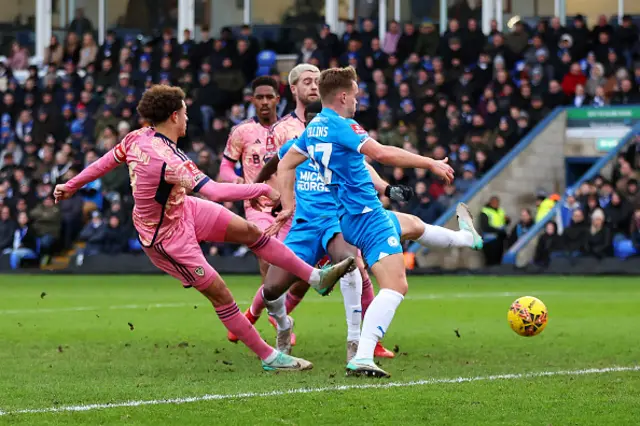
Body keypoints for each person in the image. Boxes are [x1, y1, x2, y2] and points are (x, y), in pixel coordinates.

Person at [53, 84, 354, 372]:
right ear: (174, 116)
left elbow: (108, 159)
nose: (188, 117)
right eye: (184, 112)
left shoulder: (138, 137)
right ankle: (270, 356)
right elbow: (216, 193)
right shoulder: (171, 161)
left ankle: (315, 277)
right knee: (221, 294)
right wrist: (259, 190)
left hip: (182, 209)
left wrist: (71, 184)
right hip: (166, 239)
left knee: (251, 232)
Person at [273, 67, 482, 377]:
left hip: (349, 217)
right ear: (343, 96)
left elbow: (286, 162)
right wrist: (430, 162)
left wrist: (287, 200)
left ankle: (467, 238)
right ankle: (362, 354)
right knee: (396, 285)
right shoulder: (344, 126)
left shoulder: (314, 127)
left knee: (412, 224)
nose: (357, 101)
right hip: (367, 216)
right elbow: (383, 154)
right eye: (355, 95)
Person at [251, 101, 399, 359]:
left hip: (335, 222)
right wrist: (256, 188)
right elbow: (276, 164)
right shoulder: (296, 148)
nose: (312, 127)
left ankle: (354, 341)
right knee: (271, 290)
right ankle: (285, 327)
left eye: (316, 121)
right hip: (304, 227)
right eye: (308, 123)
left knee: (349, 262)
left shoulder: (341, 146)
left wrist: (384, 190)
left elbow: (368, 166)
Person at [231, 64, 324, 346]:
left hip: (315, 210)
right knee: (275, 262)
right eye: (308, 81)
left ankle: (267, 313)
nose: (314, 86)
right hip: (281, 207)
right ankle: (268, 318)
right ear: (293, 89)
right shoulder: (283, 129)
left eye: (318, 81)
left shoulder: (332, 122)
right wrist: (258, 190)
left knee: (311, 271)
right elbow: (275, 163)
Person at [218, 76, 289, 339]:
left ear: (277, 100)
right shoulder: (242, 132)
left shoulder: (289, 130)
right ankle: (278, 317)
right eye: (259, 97)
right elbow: (225, 166)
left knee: (294, 264)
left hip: (289, 204)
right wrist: (235, 180)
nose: (264, 102)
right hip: (256, 205)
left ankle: (259, 310)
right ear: (252, 100)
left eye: (269, 97)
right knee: (267, 253)